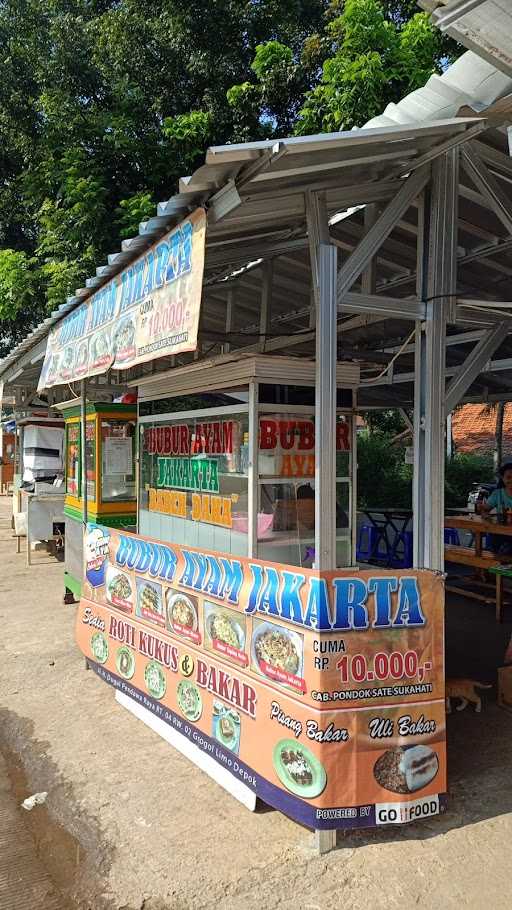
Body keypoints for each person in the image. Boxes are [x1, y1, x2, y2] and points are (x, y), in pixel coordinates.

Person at [478, 462, 512, 555]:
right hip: (500, 535)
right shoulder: (498, 494)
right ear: (503, 478)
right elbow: (485, 510)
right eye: (508, 477)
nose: (511, 480)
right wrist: (482, 509)